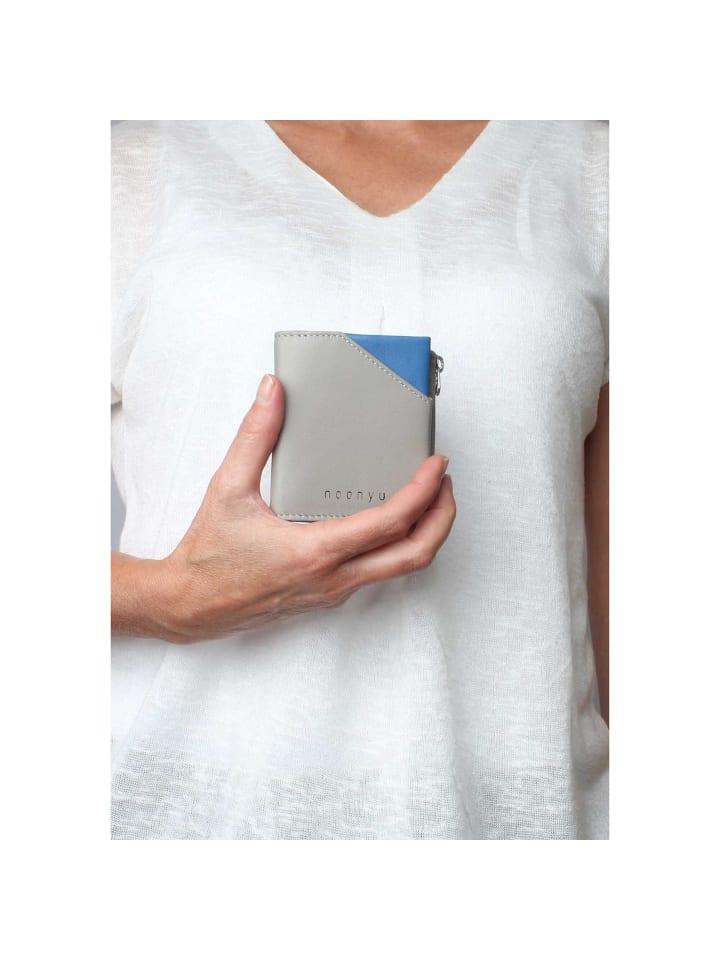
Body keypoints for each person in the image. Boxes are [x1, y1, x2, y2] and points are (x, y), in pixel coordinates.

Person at [111, 120, 609, 839]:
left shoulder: (597, 165)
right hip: (183, 810)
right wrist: (174, 598)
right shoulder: (131, 158)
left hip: (520, 818)